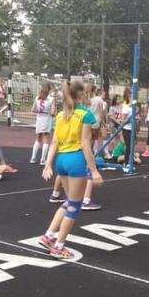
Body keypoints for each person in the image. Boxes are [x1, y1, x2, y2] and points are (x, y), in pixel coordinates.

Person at [38, 80, 103, 261]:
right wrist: (94, 171)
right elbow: (85, 145)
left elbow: (54, 143)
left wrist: (48, 164)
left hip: (61, 161)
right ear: (82, 94)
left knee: (69, 201)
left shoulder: (60, 116)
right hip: (75, 161)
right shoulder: (85, 115)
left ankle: (49, 236)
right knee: (75, 206)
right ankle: (59, 246)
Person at [31, 82, 55, 165]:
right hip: (46, 120)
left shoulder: (38, 97)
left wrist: (39, 111)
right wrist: (53, 114)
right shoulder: (51, 99)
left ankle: (33, 157)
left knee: (38, 138)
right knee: (46, 140)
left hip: (39, 120)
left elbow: (32, 109)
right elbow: (52, 112)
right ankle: (42, 159)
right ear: (49, 89)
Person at [87, 83, 108, 155]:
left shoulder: (86, 99)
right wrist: (102, 121)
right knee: (94, 138)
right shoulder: (99, 99)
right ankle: (92, 152)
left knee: (88, 139)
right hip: (96, 121)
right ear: (94, 90)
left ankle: (89, 152)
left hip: (87, 121)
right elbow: (101, 111)